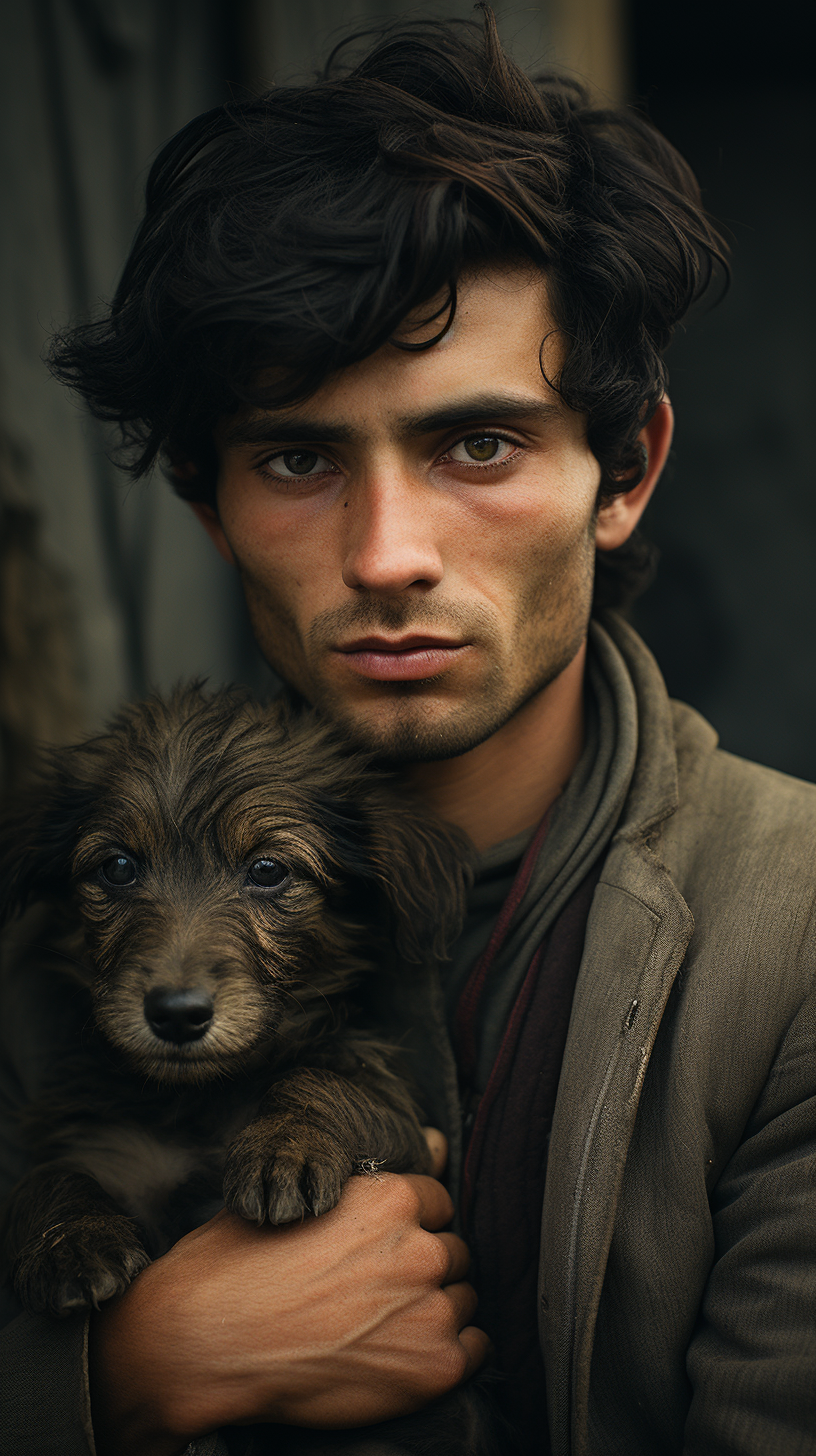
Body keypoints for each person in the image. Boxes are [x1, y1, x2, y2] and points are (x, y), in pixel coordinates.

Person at [3, 11, 816, 1455]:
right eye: (302, 457)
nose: (388, 553)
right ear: (209, 504)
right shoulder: (59, 919)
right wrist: (119, 1379)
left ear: (623, 472)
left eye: (477, 445)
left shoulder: (795, 930)